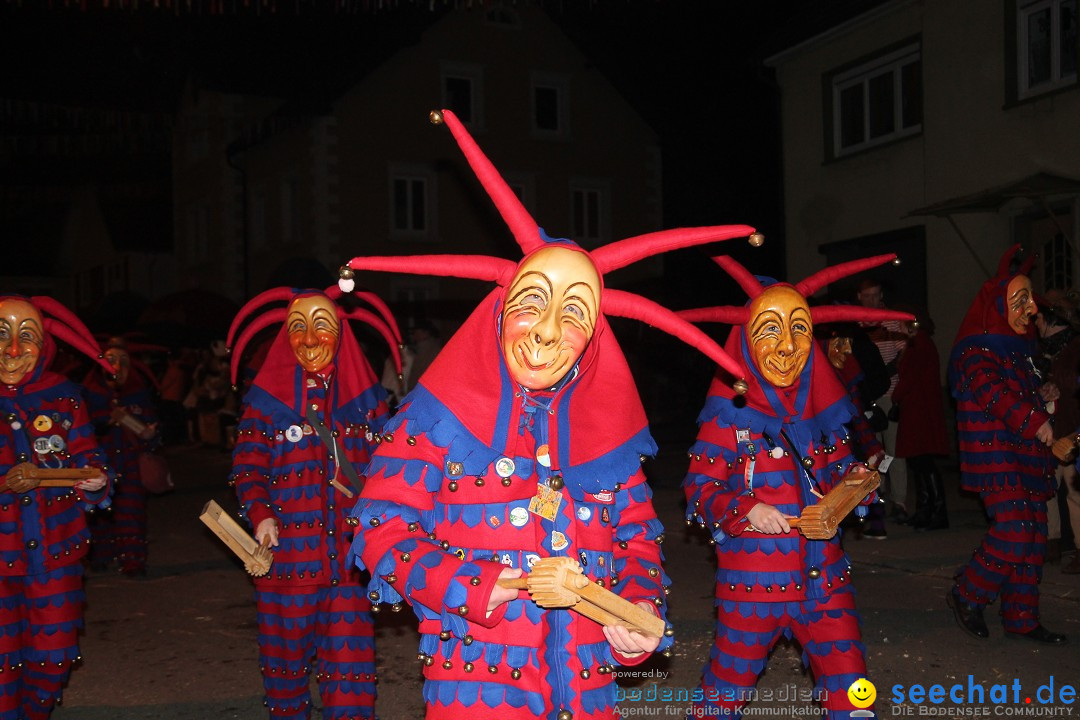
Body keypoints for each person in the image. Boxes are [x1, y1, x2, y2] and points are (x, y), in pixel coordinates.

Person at [342, 108, 756, 720]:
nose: (549, 331)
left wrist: (636, 619)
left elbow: (639, 541)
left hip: (587, 692)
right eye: (533, 303)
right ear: (501, 310)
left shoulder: (607, 439)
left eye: (575, 314)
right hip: (475, 690)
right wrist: (483, 586)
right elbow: (380, 533)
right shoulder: (433, 420)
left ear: (593, 336)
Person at [680, 254, 912, 719]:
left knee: (853, 691)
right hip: (752, 586)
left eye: (800, 329)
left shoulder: (820, 416)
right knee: (722, 696)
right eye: (770, 330)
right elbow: (698, 489)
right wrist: (746, 510)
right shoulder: (727, 415)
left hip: (824, 581)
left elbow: (841, 475)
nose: (787, 346)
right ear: (745, 342)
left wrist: (859, 486)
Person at [227, 286, 401, 720]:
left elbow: (393, 469)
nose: (308, 339)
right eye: (297, 328)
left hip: (349, 565)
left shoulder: (368, 403)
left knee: (351, 671)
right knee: (284, 671)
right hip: (285, 564)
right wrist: (262, 515)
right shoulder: (265, 405)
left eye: (320, 326)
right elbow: (247, 470)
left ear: (340, 332)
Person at [0, 295, 112, 720]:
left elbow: (89, 455)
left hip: (57, 552)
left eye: (26, 336)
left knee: (55, 656)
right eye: (1, 334)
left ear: (43, 345)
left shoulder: (64, 396)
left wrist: (97, 482)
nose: (13, 349)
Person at [946, 245, 1065, 644]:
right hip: (996, 456)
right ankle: (967, 594)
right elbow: (992, 393)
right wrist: (1035, 421)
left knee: (1033, 538)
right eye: (1021, 300)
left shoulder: (1019, 351)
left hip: (1025, 455)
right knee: (1015, 531)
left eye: (1030, 299)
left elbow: (1022, 393)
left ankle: (1021, 617)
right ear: (997, 305)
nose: (1032, 308)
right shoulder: (976, 350)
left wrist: (1044, 393)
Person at [82, 337, 161, 576]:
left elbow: (153, 431)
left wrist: (149, 435)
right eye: (111, 360)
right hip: (101, 461)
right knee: (100, 511)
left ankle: (132, 560)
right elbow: (79, 432)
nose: (117, 366)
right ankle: (102, 555)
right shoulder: (88, 395)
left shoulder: (138, 394)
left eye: (124, 361)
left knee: (131, 511)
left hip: (131, 462)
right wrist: (106, 423)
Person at [891, 307, 950, 531]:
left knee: (924, 462)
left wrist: (896, 396)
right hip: (917, 409)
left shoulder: (919, 345)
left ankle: (937, 511)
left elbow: (909, 379)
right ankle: (926, 509)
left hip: (920, 410)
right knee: (919, 462)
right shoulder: (919, 344)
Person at [856, 277, 910, 522]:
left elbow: (904, 354)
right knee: (871, 453)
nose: (871, 300)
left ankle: (899, 501)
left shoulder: (892, 321)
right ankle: (875, 499)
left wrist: (889, 379)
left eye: (875, 295)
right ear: (859, 298)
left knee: (895, 451)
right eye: (867, 296)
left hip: (889, 394)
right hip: (865, 397)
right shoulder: (854, 324)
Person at [1034, 299, 1080, 566]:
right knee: (1049, 489)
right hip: (1050, 430)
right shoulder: (1045, 351)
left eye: (1038, 318)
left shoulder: (1074, 349)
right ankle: (1052, 541)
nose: (1035, 324)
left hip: (1072, 430)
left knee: (1075, 492)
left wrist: (1057, 386)